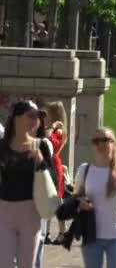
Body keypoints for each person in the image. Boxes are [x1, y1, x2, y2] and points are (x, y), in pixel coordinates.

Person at [75, 127, 116, 268]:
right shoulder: (84, 170)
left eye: (104, 140)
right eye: (95, 141)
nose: (99, 144)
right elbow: (75, 198)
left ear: (113, 144)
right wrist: (80, 202)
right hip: (91, 234)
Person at [0, 101, 53, 268]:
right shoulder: (2, 147)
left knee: (26, 265)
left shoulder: (41, 145)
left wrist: (40, 160)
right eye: (31, 116)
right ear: (16, 119)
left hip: (31, 213)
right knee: (5, 264)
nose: (36, 120)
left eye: (38, 117)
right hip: (4, 214)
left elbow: (53, 179)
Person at [41, 101, 69, 245]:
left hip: (53, 165)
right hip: (51, 164)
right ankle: (53, 232)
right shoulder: (55, 129)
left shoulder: (58, 130)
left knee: (55, 201)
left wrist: (51, 127)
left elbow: (48, 142)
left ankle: (61, 233)